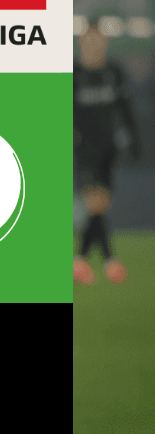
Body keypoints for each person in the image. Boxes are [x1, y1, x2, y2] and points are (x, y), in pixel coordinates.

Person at [73, 23, 141, 285]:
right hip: (83, 150)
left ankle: (81, 260)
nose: (94, 45)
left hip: (108, 150)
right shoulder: (74, 75)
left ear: (105, 43)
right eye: (89, 40)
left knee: (99, 208)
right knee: (96, 203)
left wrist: (133, 141)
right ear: (81, 43)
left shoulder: (113, 73)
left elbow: (125, 107)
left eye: (98, 40)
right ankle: (110, 261)